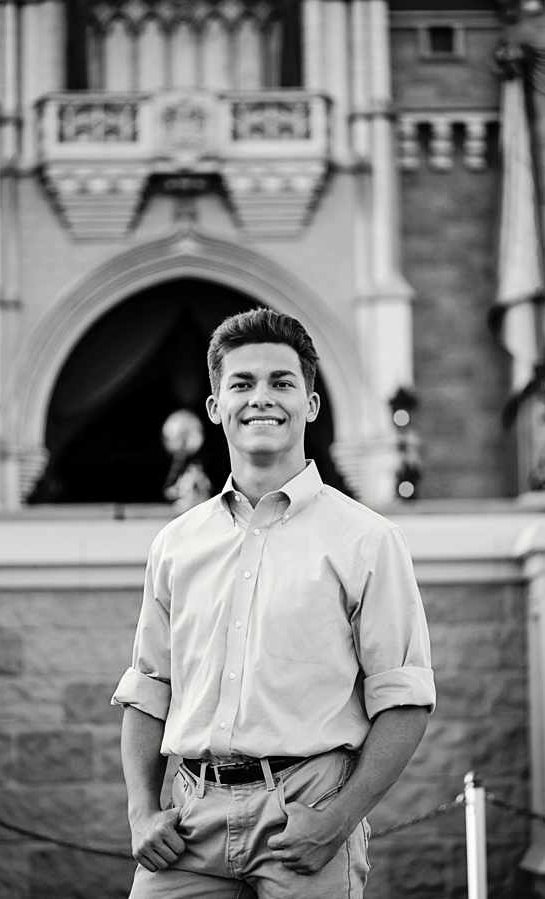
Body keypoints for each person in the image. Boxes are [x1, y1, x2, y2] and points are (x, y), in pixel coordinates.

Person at [111, 309, 435, 899]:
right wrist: (140, 809)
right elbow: (150, 687)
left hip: (306, 814)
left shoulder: (368, 540)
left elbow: (405, 697)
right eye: (242, 384)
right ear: (216, 408)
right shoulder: (176, 544)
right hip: (188, 823)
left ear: (311, 403)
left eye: (282, 382)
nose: (262, 398)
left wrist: (338, 820)